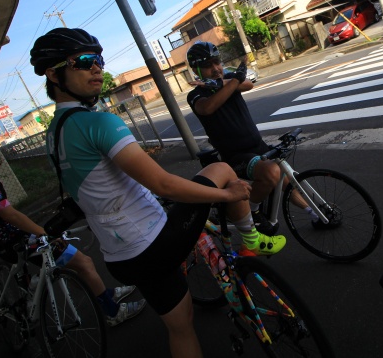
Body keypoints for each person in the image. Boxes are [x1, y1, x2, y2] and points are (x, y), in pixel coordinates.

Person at [30, 27, 280, 357]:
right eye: (84, 61)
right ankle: (251, 238)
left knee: (181, 326)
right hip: (153, 240)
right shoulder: (99, 123)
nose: (97, 68)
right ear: (53, 73)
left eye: (99, 60)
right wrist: (228, 196)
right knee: (220, 171)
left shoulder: (54, 133)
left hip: (120, 258)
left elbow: (97, 185)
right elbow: (162, 184)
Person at [0, 126, 144, 327]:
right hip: (16, 242)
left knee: (76, 266)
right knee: (84, 263)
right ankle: (112, 312)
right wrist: (43, 234)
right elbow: (9, 214)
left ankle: (105, 294)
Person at [186, 41, 327, 231]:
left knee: (285, 179)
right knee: (271, 173)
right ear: (196, 69)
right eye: (207, 65)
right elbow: (208, 107)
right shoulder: (196, 94)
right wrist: (230, 81)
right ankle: (251, 211)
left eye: (217, 62)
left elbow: (247, 84)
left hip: (257, 145)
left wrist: (221, 82)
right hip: (235, 157)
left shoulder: (227, 79)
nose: (215, 68)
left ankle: (314, 213)